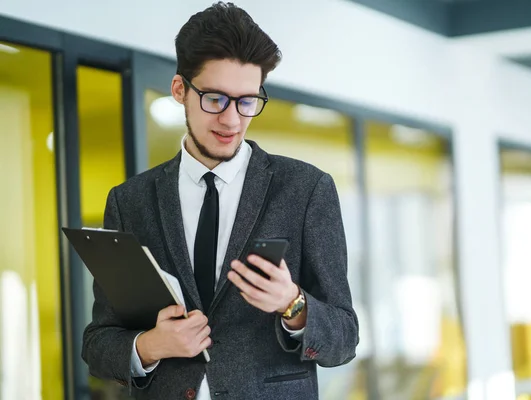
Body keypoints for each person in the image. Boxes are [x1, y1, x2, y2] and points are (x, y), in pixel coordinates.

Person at [82, 2, 359, 399]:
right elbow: (98, 343)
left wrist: (292, 303)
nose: (232, 120)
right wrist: (151, 345)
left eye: (247, 101)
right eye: (215, 99)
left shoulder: (306, 190)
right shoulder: (131, 202)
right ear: (180, 90)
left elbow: (345, 338)